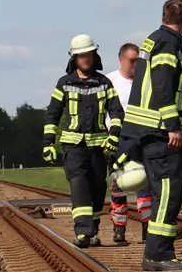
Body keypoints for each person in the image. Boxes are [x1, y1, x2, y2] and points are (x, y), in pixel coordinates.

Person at [120, 0, 182, 271]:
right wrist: (173, 124)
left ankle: (158, 252)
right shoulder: (168, 43)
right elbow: (163, 84)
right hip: (161, 132)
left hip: (148, 130)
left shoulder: (153, 39)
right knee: (168, 192)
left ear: (163, 15)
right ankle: (158, 254)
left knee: (163, 191)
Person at [43, 35, 123, 248]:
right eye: (81, 56)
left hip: (98, 147)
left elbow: (116, 111)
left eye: (88, 55)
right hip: (73, 146)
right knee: (79, 185)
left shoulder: (104, 83)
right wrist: (48, 143)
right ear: (74, 58)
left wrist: (114, 135)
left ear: (94, 56)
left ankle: (93, 229)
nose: (85, 59)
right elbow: (52, 114)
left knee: (98, 189)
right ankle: (83, 232)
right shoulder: (64, 83)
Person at [102, 42, 148, 244]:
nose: (134, 65)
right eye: (131, 61)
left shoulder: (146, 81)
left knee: (145, 185)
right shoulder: (109, 81)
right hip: (117, 140)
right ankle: (119, 229)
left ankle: (148, 228)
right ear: (121, 59)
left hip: (142, 138)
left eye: (137, 61)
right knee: (118, 185)